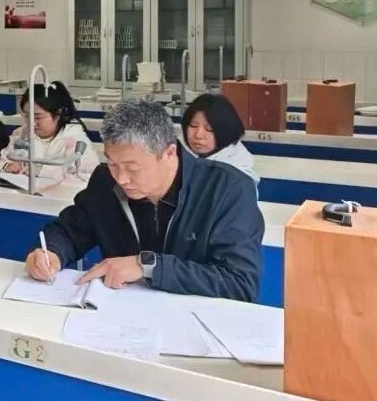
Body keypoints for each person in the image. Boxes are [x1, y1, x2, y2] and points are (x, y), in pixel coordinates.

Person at [25, 100, 264, 302]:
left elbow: (240, 283)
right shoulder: (105, 182)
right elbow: (70, 230)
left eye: (132, 168)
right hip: (122, 315)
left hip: (195, 323)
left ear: (169, 153)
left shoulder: (228, 190)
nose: (121, 178)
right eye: (112, 164)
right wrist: (51, 252)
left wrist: (149, 266)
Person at [0, 81, 100, 179]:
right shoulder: (22, 134)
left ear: (58, 114)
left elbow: (87, 178)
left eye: (38, 117)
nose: (32, 122)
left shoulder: (75, 140)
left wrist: (42, 171)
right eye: (26, 116)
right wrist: (7, 166)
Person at [182, 93, 259, 186]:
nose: (198, 135)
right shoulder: (174, 153)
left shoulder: (238, 174)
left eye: (209, 129)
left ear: (225, 131)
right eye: (193, 125)